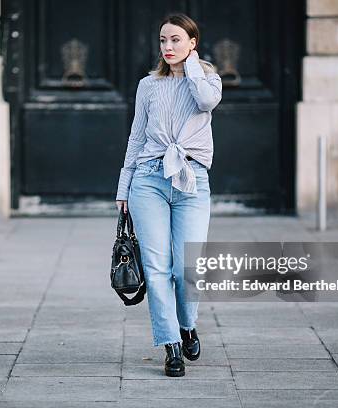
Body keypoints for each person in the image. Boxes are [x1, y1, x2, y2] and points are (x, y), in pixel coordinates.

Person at [115, 13, 222, 377]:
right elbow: (136, 136)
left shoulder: (207, 79)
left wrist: (192, 67)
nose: (168, 47)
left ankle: (187, 323)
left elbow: (206, 103)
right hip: (148, 179)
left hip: (192, 181)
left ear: (193, 43)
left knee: (186, 267)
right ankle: (171, 343)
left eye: (176, 40)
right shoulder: (148, 85)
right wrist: (123, 185)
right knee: (158, 268)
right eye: (163, 40)